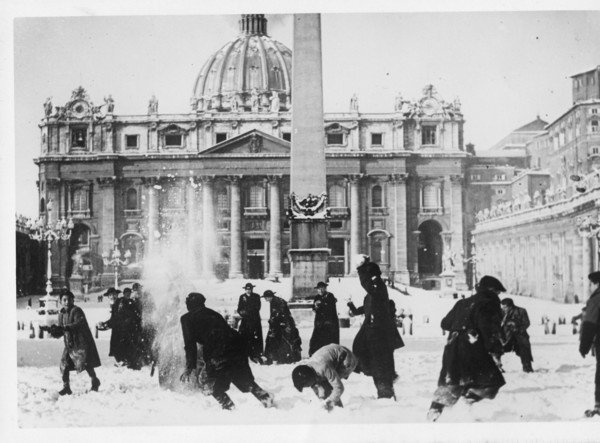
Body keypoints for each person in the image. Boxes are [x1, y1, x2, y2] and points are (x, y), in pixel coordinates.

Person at [427, 275, 506, 422]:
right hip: (473, 347)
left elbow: (445, 323)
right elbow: (488, 329)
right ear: (491, 290)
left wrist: (461, 323)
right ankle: (466, 403)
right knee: (491, 382)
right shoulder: (489, 303)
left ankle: (435, 411)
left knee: (452, 380)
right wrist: (495, 349)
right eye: (497, 292)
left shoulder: (462, 302)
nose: (498, 295)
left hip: (453, 346)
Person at [179, 292, 274, 410]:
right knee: (243, 381)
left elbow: (190, 345)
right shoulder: (213, 314)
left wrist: (190, 366)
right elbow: (230, 333)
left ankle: (229, 409)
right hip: (236, 348)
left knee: (211, 386)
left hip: (218, 353)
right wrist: (250, 352)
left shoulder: (187, 319)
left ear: (189, 305)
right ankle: (265, 397)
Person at [348, 255, 403, 399]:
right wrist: (351, 305)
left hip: (378, 333)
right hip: (373, 332)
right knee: (373, 362)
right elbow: (363, 309)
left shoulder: (378, 285)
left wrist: (360, 269)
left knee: (379, 364)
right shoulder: (372, 293)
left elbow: (368, 286)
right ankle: (385, 390)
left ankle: (386, 393)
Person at [47, 291, 101, 395]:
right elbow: (61, 330)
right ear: (61, 301)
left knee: (85, 363)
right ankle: (66, 387)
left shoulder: (76, 310)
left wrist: (66, 327)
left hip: (81, 342)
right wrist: (53, 331)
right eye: (64, 300)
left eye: (69, 299)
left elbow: (79, 323)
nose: (67, 302)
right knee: (64, 364)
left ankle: (95, 381)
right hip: (69, 344)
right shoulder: (61, 314)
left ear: (73, 300)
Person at [292, 344, 358, 410]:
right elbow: (316, 388)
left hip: (348, 359)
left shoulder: (323, 367)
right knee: (322, 386)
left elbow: (339, 387)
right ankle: (330, 409)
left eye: (307, 385)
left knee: (328, 388)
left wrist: (329, 402)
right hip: (338, 353)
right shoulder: (309, 369)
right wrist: (322, 400)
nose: (308, 386)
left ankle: (337, 413)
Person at [580, 271, 600, 417]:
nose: (590, 287)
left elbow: (589, 324)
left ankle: (599, 406)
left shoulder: (596, 299)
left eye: (591, 284)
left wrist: (584, 345)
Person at [263, 290, 302, 364]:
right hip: (278, 323)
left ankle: (285, 358)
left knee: (283, 340)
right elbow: (275, 315)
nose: (265, 299)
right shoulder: (273, 301)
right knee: (272, 339)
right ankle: (274, 358)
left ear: (269, 297)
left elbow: (283, 313)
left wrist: (282, 323)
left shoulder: (279, 301)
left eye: (266, 298)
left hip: (284, 323)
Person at [501, 298, 534, 372]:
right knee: (495, 349)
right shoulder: (501, 312)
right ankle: (498, 367)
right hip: (506, 336)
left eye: (505, 307)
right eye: (502, 307)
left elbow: (526, 323)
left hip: (520, 335)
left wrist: (518, 329)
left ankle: (527, 368)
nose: (503, 309)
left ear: (510, 306)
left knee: (524, 350)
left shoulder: (521, 311)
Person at [308, 282, 340, 356]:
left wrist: (321, 303)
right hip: (319, 323)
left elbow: (330, 307)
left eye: (322, 289)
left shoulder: (330, 296)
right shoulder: (316, 297)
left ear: (325, 288)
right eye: (319, 289)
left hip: (329, 324)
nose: (320, 291)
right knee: (315, 341)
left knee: (328, 342)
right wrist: (316, 306)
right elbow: (314, 309)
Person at [237, 283, 264, 363]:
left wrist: (248, 311)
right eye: (247, 289)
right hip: (245, 320)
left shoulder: (256, 296)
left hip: (254, 320)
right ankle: (246, 353)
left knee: (255, 336)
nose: (248, 290)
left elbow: (257, 307)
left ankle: (256, 354)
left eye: (250, 289)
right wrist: (242, 312)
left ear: (252, 289)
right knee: (244, 335)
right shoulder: (242, 297)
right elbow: (239, 308)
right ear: (245, 289)